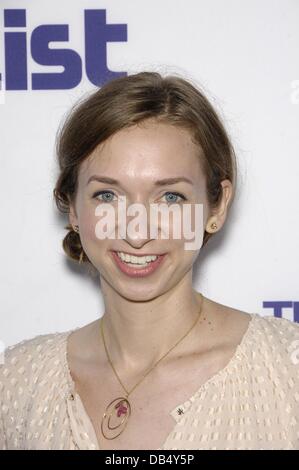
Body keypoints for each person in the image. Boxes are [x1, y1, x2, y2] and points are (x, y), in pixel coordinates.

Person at [1, 72, 298, 450]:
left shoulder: (287, 373)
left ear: (217, 205)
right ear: (73, 207)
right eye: (107, 195)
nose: (137, 233)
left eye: (170, 197)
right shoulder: (17, 383)